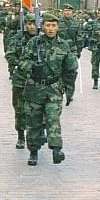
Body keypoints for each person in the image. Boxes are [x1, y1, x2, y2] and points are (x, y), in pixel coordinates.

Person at [19, 13, 77, 166]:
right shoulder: (34, 43)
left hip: (53, 88)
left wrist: (69, 89)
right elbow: (22, 62)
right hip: (34, 88)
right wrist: (32, 67)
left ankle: (56, 149)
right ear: (42, 26)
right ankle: (33, 151)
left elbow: (70, 68)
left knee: (53, 120)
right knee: (33, 122)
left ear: (58, 27)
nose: (51, 29)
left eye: (54, 25)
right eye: (48, 25)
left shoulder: (64, 45)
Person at [5, 13, 37, 149]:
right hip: (20, 80)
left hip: (37, 80)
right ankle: (20, 136)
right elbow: (9, 54)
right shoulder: (17, 38)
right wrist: (19, 65)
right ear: (25, 25)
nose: (32, 26)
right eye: (29, 24)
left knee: (36, 110)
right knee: (19, 109)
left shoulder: (41, 39)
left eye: (34, 23)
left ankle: (36, 135)